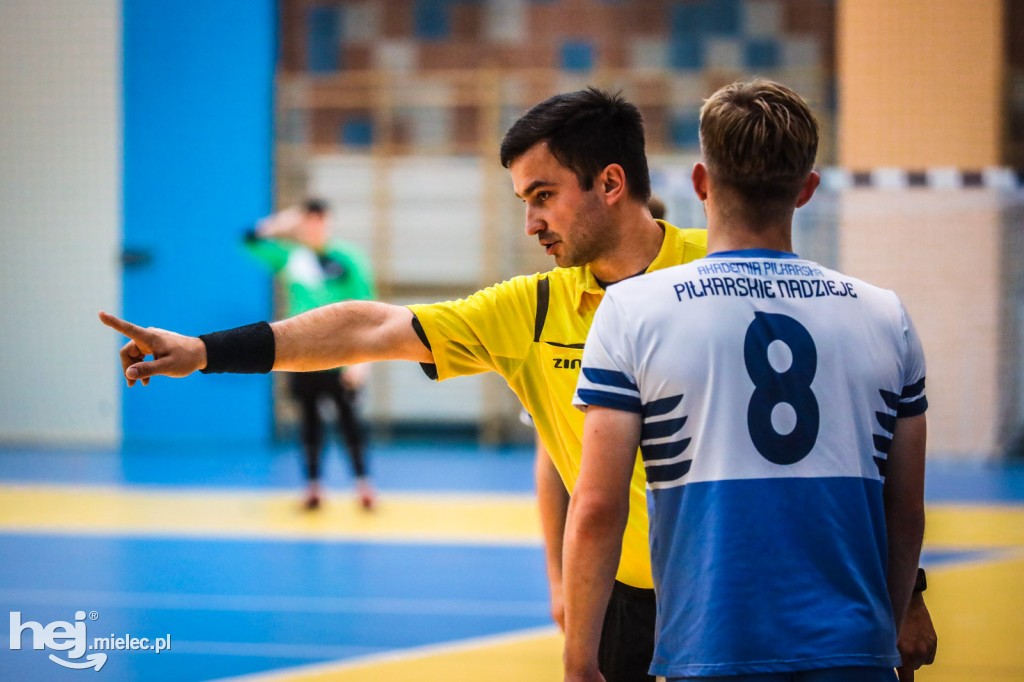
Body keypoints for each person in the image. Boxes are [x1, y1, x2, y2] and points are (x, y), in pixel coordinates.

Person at [98, 88, 935, 682]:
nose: (530, 222)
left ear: (611, 183)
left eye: (543, 196)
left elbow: (847, 443)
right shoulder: (530, 310)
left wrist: (909, 596)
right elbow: (375, 329)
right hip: (626, 603)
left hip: (743, 592)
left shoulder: (719, 273)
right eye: (522, 200)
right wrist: (206, 350)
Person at [565, 80, 928, 682]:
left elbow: (599, 506)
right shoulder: (885, 314)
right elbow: (905, 509)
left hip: (708, 649)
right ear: (807, 190)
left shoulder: (633, 311)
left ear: (701, 183)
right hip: (853, 652)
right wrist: (879, 637)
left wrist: (581, 660)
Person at [244, 198, 377, 510]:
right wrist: (284, 220)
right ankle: (313, 486)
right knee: (309, 422)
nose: (314, 227)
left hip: (341, 354)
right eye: (308, 221)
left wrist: (363, 361)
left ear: (328, 222)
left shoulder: (348, 259)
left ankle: (363, 485)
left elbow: (368, 310)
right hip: (301, 355)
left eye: (319, 220)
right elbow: (250, 241)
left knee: (349, 421)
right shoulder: (292, 258)